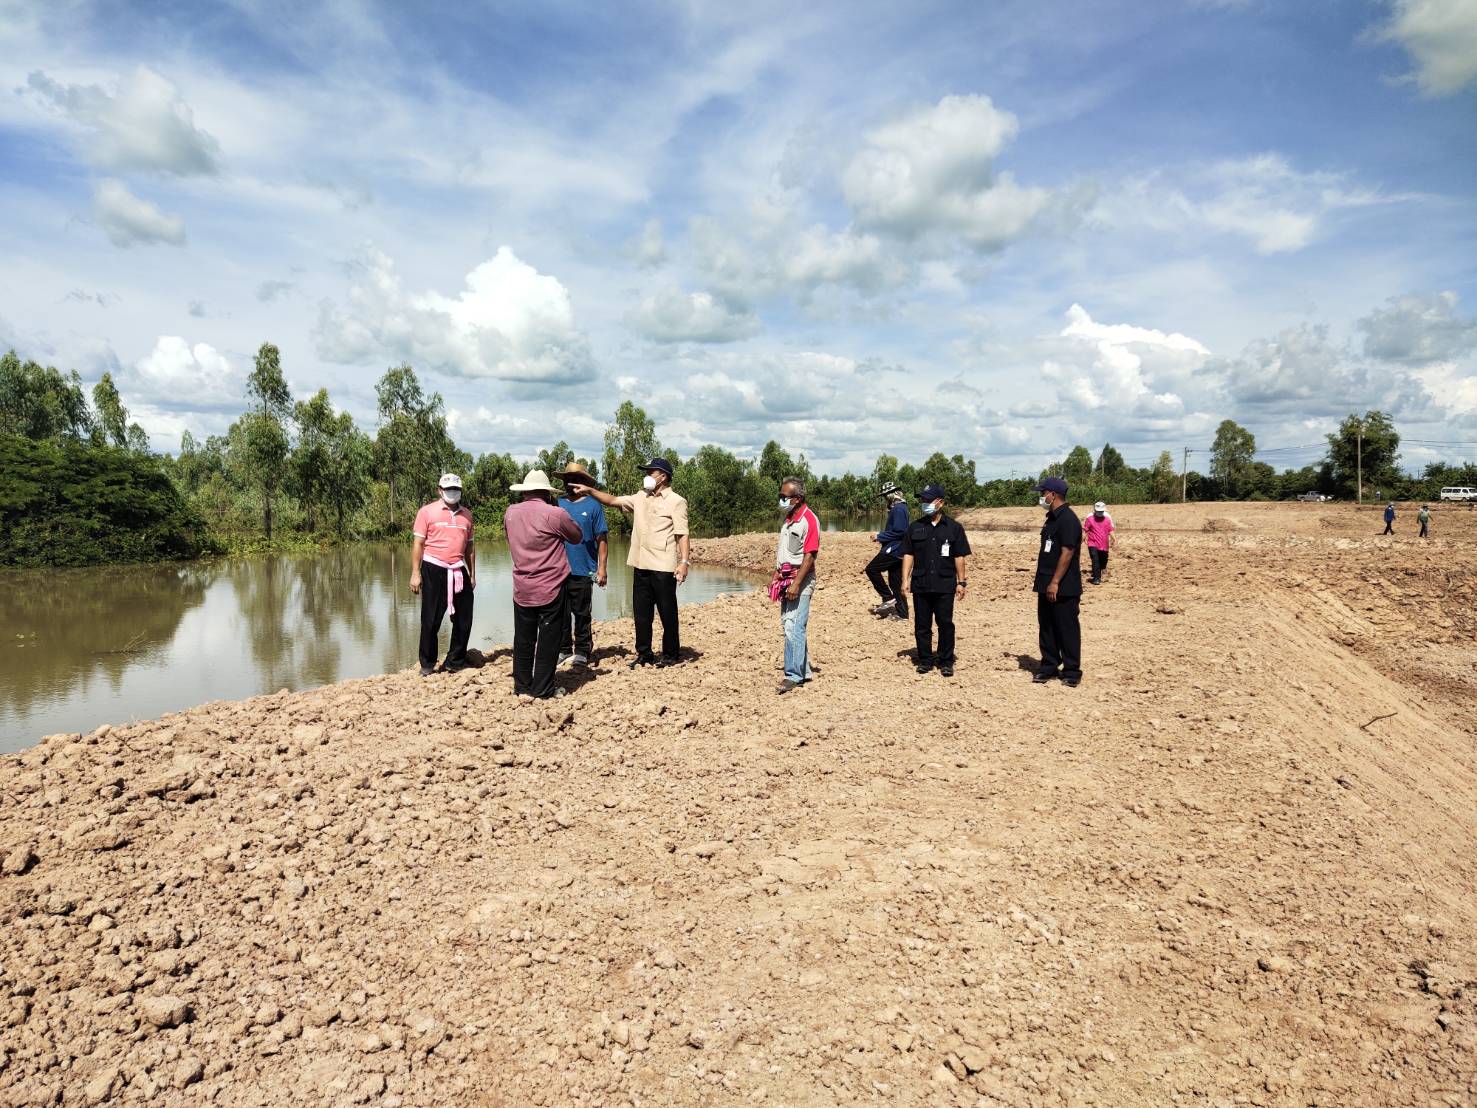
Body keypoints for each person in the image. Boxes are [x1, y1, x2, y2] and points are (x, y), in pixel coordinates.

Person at [569, 458, 690, 668]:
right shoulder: (640, 497)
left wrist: (684, 562)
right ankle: (644, 654)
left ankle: (671, 654)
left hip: (663, 566)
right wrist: (590, 491)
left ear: (663, 476)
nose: (647, 476)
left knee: (667, 612)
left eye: (651, 472)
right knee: (641, 614)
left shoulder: (677, 501)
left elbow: (682, 534)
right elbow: (612, 500)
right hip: (640, 564)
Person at [504, 470, 583, 699]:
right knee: (549, 639)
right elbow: (576, 536)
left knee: (523, 638)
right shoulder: (555, 514)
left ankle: (522, 686)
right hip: (551, 586)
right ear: (547, 493)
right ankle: (543, 689)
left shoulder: (510, 512)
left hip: (522, 585)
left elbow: (511, 539)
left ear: (525, 491)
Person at [900, 483, 970, 677]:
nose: (924, 503)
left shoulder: (954, 528)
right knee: (922, 625)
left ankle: (946, 661)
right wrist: (904, 580)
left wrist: (961, 582)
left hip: (945, 584)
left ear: (940, 502)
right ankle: (925, 660)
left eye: (928, 500)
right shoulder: (915, 527)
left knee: (945, 623)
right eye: (922, 499)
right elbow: (908, 554)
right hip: (921, 584)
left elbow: (959, 557)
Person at [410, 473, 476, 677]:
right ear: (439, 490)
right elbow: (418, 544)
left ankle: (455, 660)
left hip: (458, 569)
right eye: (448, 490)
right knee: (430, 619)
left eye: (456, 490)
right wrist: (415, 573)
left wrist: (472, 574)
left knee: (464, 617)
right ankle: (427, 664)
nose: (452, 493)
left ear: (461, 491)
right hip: (433, 568)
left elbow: (470, 547)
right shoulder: (427, 512)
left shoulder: (467, 515)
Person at [554, 461, 609, 670]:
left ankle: (583, 650)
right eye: (568, 479)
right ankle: (564, 649)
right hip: (558, 569)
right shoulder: (557, 504)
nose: (571, 482)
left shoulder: (594, 505)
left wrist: (602, 568)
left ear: (584, 482)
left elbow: (601, 539)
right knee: (560, 612)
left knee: (582, 612)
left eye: (576, 479)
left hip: (584, 569)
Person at [1032, 477, 1083, 687]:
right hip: (1045, 582)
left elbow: (1068, 551)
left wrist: (1055, 582)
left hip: (1063, 586)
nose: (1041, 497)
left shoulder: (1068, 519)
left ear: (1053, 494)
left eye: (1043, 493)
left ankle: (1071, 670)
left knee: (1066, 627)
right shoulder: (1051, 518)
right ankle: (1049, 665)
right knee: (1047, 626)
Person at [773, 478, 820, 694]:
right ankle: (804, 669)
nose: (782, 500)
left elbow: (809, 556)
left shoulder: (809, 520)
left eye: (785, 497)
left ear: (798, 498)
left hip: (800, 580)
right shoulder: (789, 518)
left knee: (794, 626)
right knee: (788, 623)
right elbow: (785, 551)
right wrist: (776, 574)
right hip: (785, 577)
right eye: (781, 496)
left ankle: (794, 675)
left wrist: (796, 584)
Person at [864, 482, 911, 621]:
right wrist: (882, 536)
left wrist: (880, 536)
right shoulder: (900, 508)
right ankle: (902, 614)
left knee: (872, 569)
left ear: (891, 495)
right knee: (895, 583)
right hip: (898, 549)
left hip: (894, 549)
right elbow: (897, 531)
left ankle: (888, 597)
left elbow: (900, 532)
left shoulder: (898, 509)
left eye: (885, 496)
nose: (885, 499)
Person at [1083, 500, 1116, 585]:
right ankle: (1097, 578)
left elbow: (1110, 530)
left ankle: (1102, 567)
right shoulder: (1089, 519)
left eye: (1101, 511)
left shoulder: (1107, 519)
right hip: (1092, 543)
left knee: (1103, 560)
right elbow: (1085, 530)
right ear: (1095, 510)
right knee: (1095, 559)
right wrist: (1083, 539)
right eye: (1098, 511)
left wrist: (1114, 539)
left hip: (1104, 544)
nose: (1100, 513)